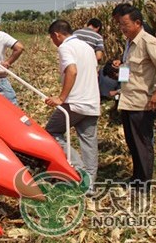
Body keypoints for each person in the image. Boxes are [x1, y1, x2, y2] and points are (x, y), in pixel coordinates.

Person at [116, 5, 156, 190]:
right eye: (120, 25)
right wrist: (120, 78)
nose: (122, 28)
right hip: (128, 100)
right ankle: (136, 178)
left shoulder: (148, 41)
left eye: (125, 24)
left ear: (138, 23)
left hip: (142, 102)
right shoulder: (129, 44)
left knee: (143, 145)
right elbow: (130, 69)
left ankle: (144, 184)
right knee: (133, 143)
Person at [44, 20, 100, 190]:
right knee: (89, 143)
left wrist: (61, 98)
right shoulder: (88, 48)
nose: (54, 43)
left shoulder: (65, 47)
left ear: (57, 35)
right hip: (92, 101)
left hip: (75, 102)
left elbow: (72, 70)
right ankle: (89, 185)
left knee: (52, 132)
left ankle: (78, 168)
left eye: (52, 39)